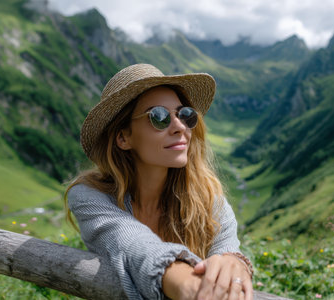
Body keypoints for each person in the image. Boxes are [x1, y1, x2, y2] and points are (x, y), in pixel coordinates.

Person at [65, 63, 253, 300]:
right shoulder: (89, 196)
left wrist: (233, 263)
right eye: (159, 117)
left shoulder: (208, 197)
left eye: (185, 114)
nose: (179, 127)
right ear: (123, 137)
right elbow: (133, 243)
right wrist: (188, 287)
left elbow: (227, 247)